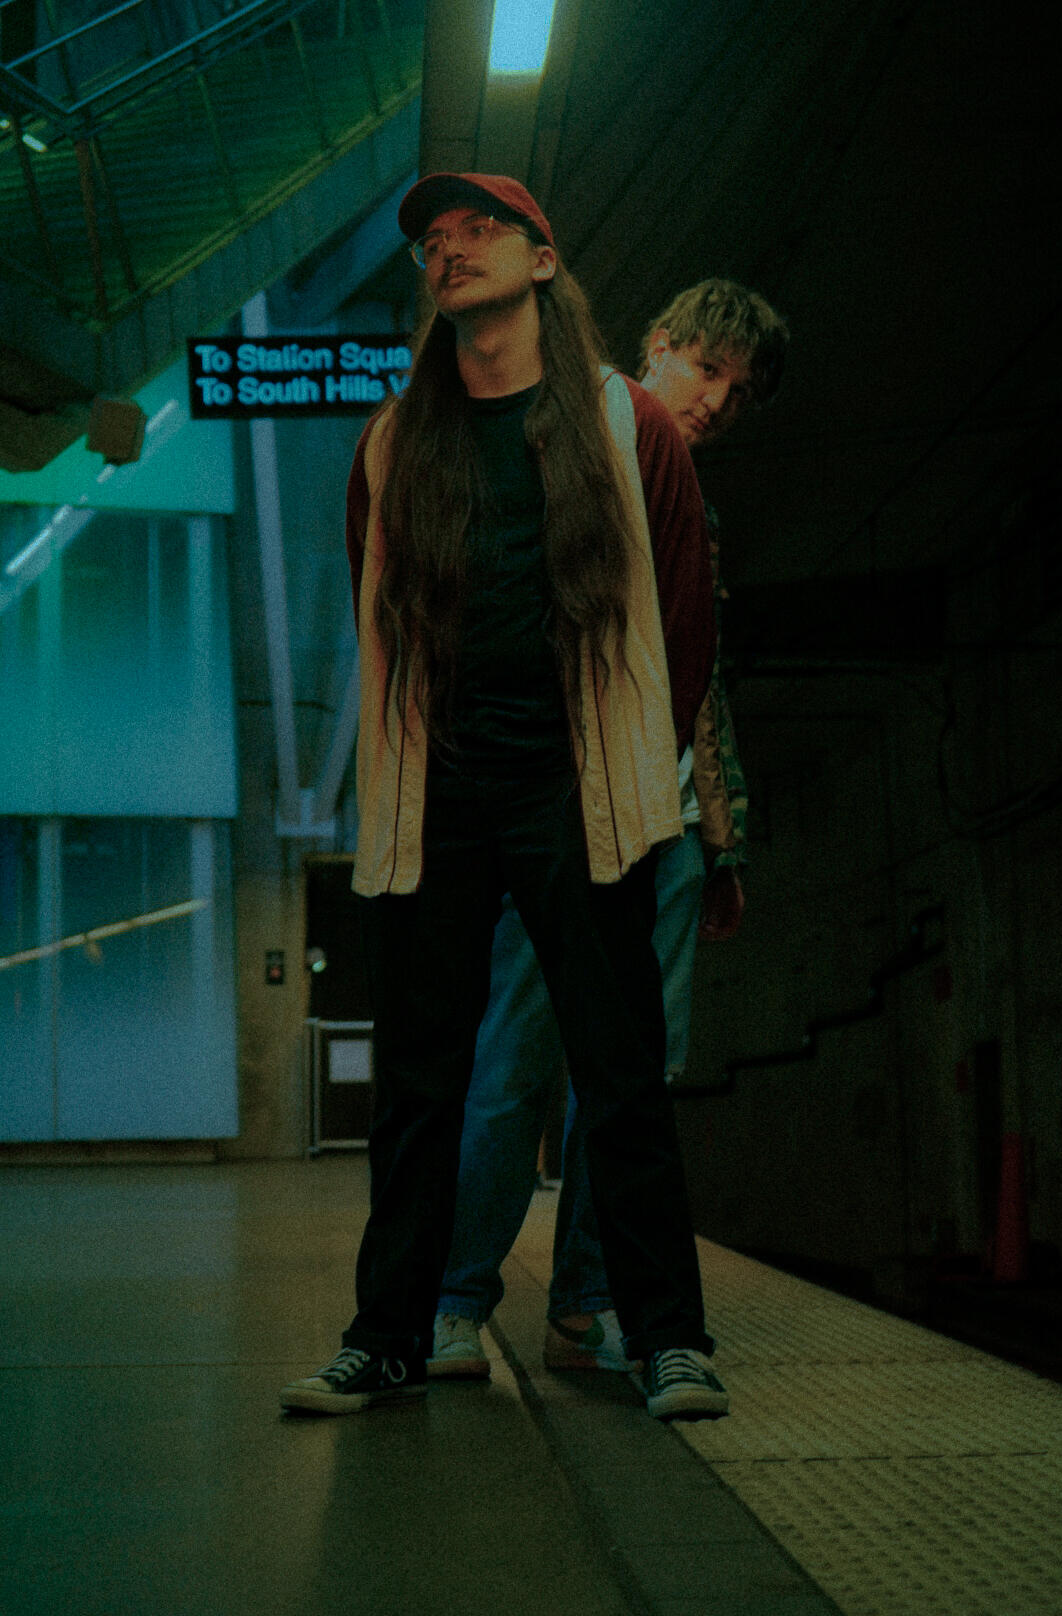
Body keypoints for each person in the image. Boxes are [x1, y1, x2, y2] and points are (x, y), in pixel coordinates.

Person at [280, 173, 729, 1421]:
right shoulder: (393, 441)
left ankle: (669, 1336)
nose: (449, 250)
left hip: (578, 791)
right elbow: (378, 610)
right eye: (433, 240)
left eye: (479, 230)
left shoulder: (625, 423)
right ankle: (388, 1336)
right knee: (419, 1082)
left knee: (620, 1074)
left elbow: (682, 618)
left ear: (541, 261)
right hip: (441, 791)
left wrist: (628, 765)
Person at [429, 278, 789, 1380]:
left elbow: (704, 685)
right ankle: (453, 1300)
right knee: (513, 1063)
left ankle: (585, 1303)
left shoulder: (696, 505)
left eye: (739, 391)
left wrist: (720, 840)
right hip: (569, 818)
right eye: (707, 369)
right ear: (659, 345)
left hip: (668, 827)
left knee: (629, 1082)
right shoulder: (566, 449)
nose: (717, 401)